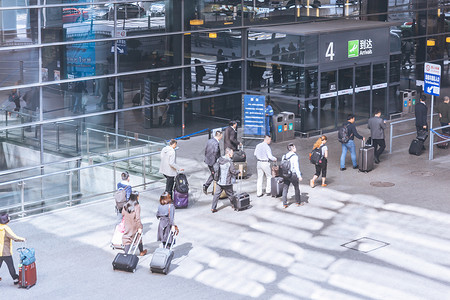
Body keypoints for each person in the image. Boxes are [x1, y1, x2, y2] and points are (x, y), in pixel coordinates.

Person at [211, 147, 240, 213]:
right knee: (231, 195)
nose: (232, 155)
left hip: (219, 181)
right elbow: (233, 172)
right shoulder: (229, 162)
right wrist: (238, 171)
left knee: (216, 195)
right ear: (229, 154)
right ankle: (235, 206)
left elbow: (215, 168)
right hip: (227, 182)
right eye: (232, 153)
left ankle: (213, 207)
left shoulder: (219, 159)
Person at [0, 213, 26, 284]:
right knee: (10, 266)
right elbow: (14, 237)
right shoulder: (5, 229)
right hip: (5, 252)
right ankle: (15, 279)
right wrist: (22, 239)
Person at [122, 192, 147, 256]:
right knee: (138, 237)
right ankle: (141, 251)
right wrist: (140, 227)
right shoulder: (137, 206)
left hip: (127, 224)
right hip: (134, 224)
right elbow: (138, 218)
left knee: (127, 237)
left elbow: (123, 213)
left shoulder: (125, 205)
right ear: (137, 197)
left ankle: (126, 254)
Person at [281, 143, 304, 208]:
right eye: (295, 147)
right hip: (293, 175)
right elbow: (296, 167)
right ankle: (298, 202)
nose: (296, 148)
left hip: (285, 174)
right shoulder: (295, 156)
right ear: (292, 148)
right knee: (296, 188)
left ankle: (284, 204)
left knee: (285, 188)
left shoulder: (284, 156)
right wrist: (299, 176)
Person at [203, 130, 223, 195]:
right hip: (213, 162)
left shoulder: (209, 141)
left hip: (208, 160)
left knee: (213, 174)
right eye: (221, 136)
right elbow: (216, 152)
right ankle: (211, 188)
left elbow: (206, 150)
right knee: (215, 175)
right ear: (219, 136)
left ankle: (208, 187)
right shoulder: (216, 143)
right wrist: (219, 160)